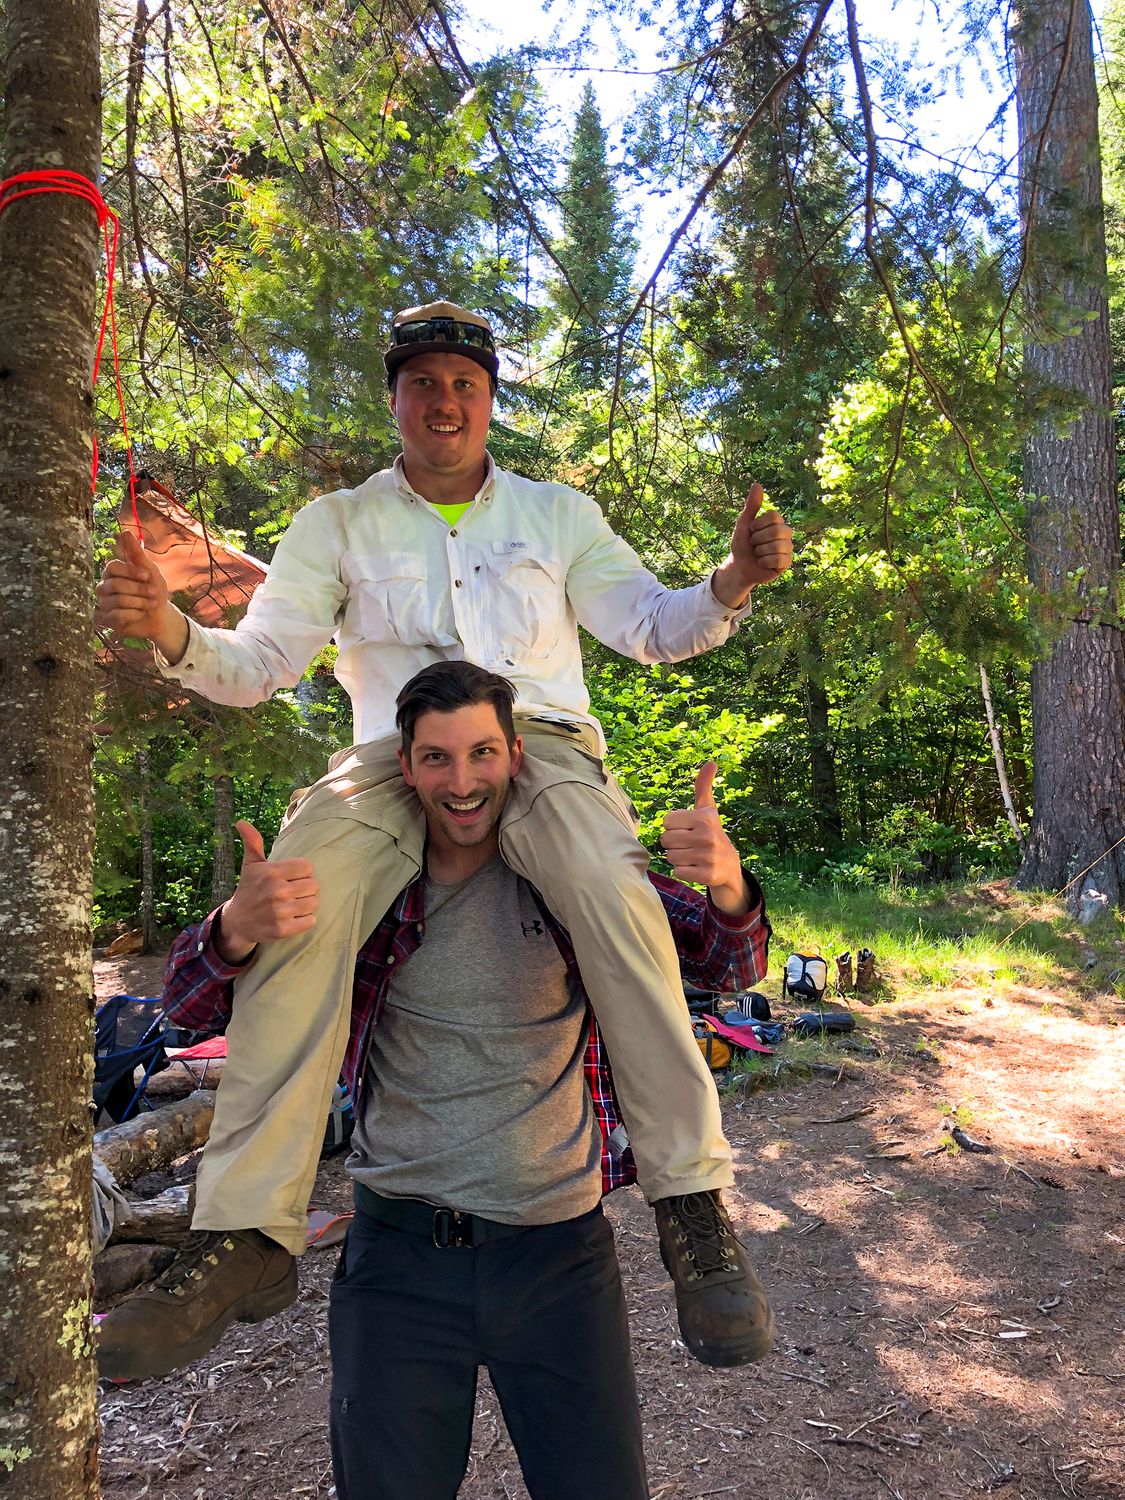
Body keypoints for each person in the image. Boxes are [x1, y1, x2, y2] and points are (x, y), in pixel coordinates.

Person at [93, 300, 792, 1375]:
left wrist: (732, 580)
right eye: (422, 382)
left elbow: (653, 625)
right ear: (395, 400)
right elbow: (258, 664)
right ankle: (246, 1232)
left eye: (464, 383)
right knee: (296, 903)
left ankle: (692, 1203)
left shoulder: (557, 516)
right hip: (393, 755)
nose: (445, 401)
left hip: (538, 745)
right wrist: (169, 629)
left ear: (491, 400)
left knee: (613, 891)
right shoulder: (335, 523)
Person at [99, 662, 774, 1499]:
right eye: (436, 758)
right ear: (404, 766)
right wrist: (235, 927)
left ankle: (692, 1208)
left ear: (517, 756)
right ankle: (244, 1236)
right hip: (399, 1259)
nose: (461, 782)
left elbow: (726, 962)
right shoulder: (369, 894)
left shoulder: (575, 884)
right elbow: (188, 1010)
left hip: (557, 1257)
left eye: (482, 753)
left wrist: (727, 880)